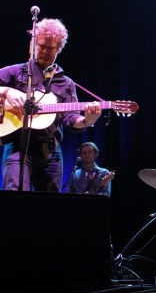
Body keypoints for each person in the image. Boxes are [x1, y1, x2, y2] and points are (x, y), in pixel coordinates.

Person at [0, 18, 102, 192]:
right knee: (15, 201)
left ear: (59, 48)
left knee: (49, 206)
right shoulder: (16, 72)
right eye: (42, 46)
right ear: (33, 44)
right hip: (17, 147)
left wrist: (87, 120)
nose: (46, 51)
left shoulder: (66, 84)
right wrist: (6, 92)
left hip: (50, 153)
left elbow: (71, 118)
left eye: (51, 48)